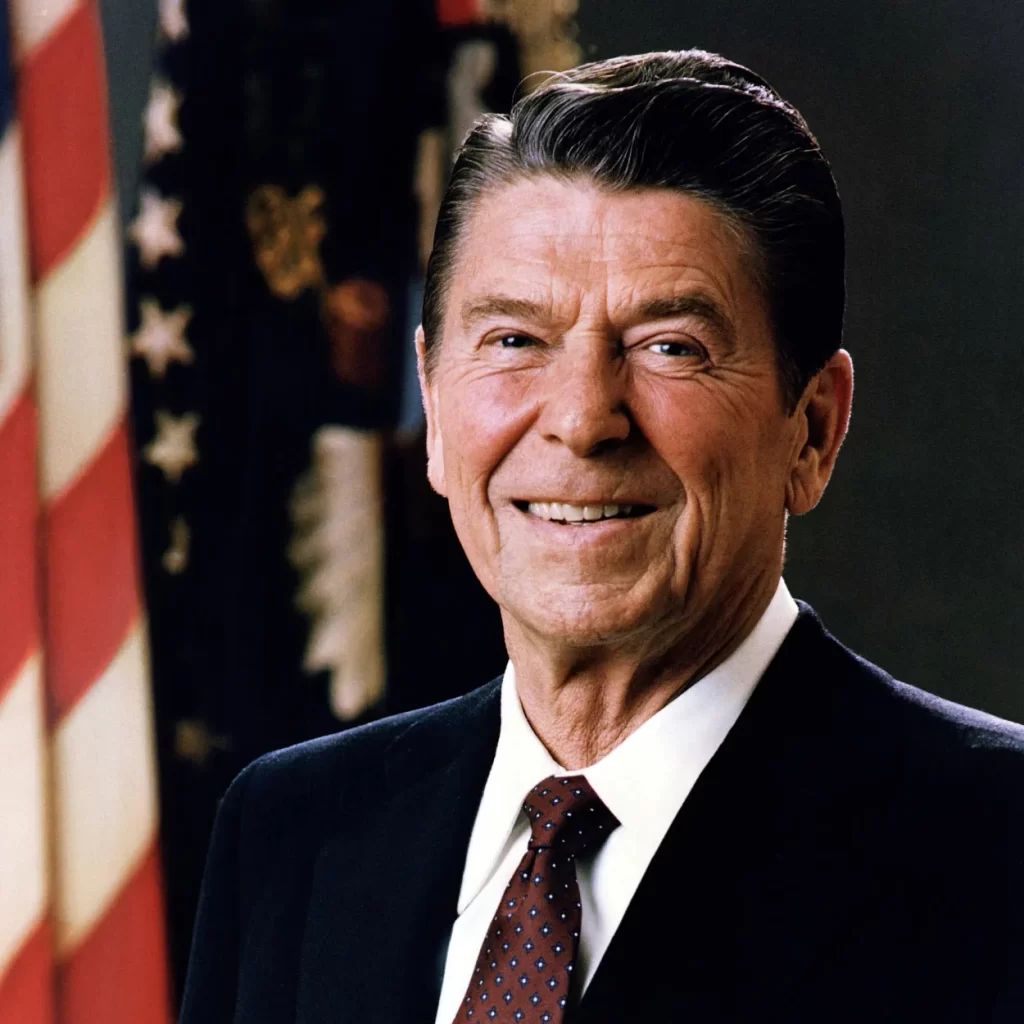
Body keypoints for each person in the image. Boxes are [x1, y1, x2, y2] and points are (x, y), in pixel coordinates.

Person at [178, 50, 1024, 1023]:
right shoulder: (292, 835)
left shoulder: (990, 852)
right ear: (435, 408)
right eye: (513, 341)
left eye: (670, 346)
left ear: (812, 428)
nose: (582, 419)